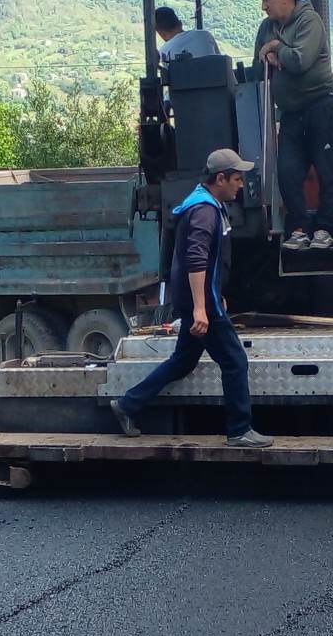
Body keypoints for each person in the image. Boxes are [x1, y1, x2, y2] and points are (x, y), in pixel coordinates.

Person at [110, 149, 273, 449]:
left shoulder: (205, 202)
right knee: (235, 361)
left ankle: (127, 405)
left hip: (201, 298)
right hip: (201, 304)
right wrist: (201, 307)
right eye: (236, 179)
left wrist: (215, 293)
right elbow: (195, 259)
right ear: (220, 178)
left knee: (183, 361)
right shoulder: (204, 211)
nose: (241, 185)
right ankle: (239, 430)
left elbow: (209, 261)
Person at [252, 0, 333, 250]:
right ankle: (299, 228)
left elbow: (301, 61)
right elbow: (259, 64)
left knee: (326, 169)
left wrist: (277, 47)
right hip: (290, 111)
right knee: (288, 170)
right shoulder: (266, 27)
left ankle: (326, 228)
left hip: (321, 104)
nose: (264, 6)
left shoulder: (309, 20)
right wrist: (272, 55)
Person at [156, 6, 221, 66]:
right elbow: (220, 61)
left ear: (162, 34)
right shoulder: (205, 35)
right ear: (180, 23)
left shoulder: (164, 52)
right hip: (217, 78)